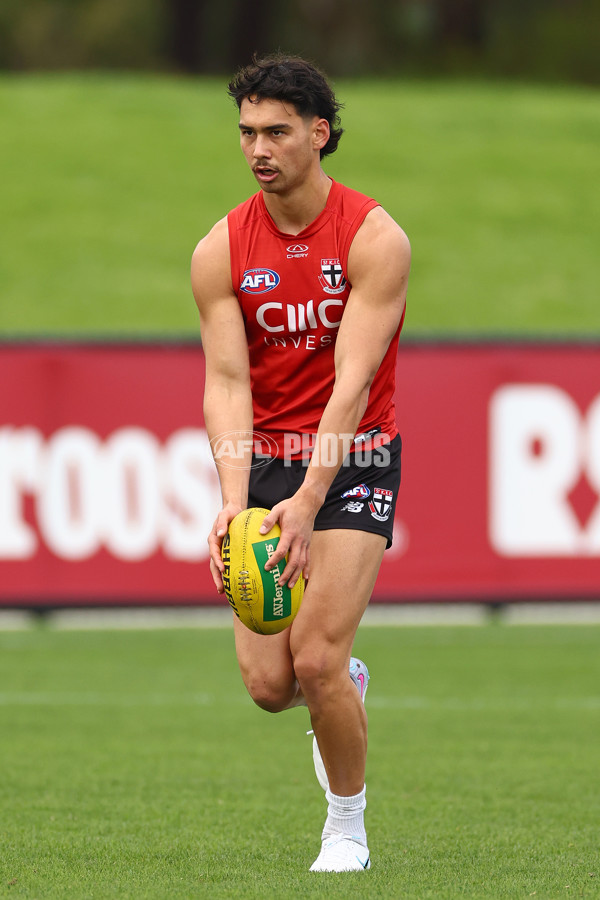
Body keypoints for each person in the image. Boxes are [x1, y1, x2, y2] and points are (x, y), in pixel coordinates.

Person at [191, 53, 410, 873]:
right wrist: (234, 504)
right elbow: (226, 379)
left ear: (320, 134)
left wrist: (312, 501)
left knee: (312, 655)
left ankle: (346, 826)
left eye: (277, 131)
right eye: (247, 131)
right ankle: (342, 682)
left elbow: (352, 385)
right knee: (270, 687)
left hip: (352, 459)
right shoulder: (218, 248)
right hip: (270, 465)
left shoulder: (374, 238)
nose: (259, 147)